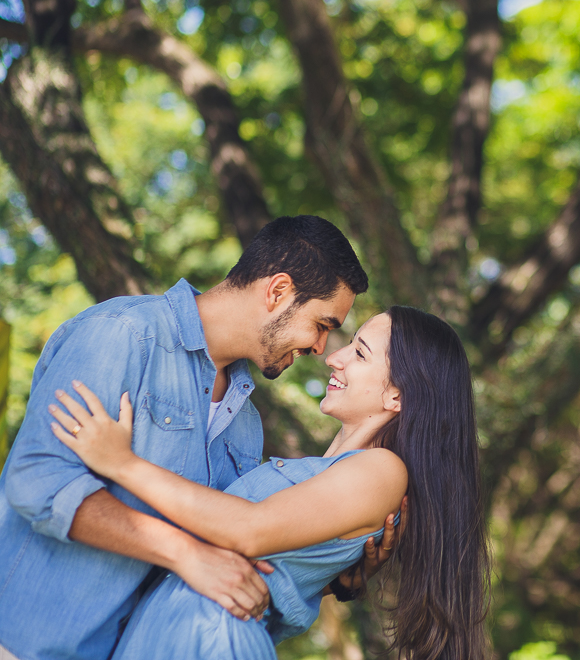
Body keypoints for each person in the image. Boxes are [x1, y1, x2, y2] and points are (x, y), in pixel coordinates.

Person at [0, 215, 387, 660]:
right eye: (322, 324)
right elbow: (37, 480)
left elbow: (228, 569)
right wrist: (183, 552)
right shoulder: (124, 334)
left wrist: (335, 572)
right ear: (278, 291)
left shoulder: (246, 424)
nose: (321, 348)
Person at [48, 306, 489, 660]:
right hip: (170, 633)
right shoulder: (330, 472)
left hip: (210, 639)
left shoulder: (383, 470)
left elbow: (249, 530)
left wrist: (121, 463)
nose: (333, 356)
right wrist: (342, 578)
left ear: (397, 395)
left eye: (359, 353)